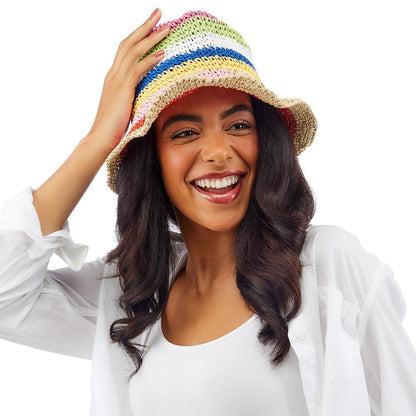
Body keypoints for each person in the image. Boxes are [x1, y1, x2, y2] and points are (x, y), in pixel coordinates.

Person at [0, 7, 415, 416]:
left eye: (238, 125)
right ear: (152, 161)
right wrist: (98, 140)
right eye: (185, 132)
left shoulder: (328, 265)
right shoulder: (131, 296)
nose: (219, 152)